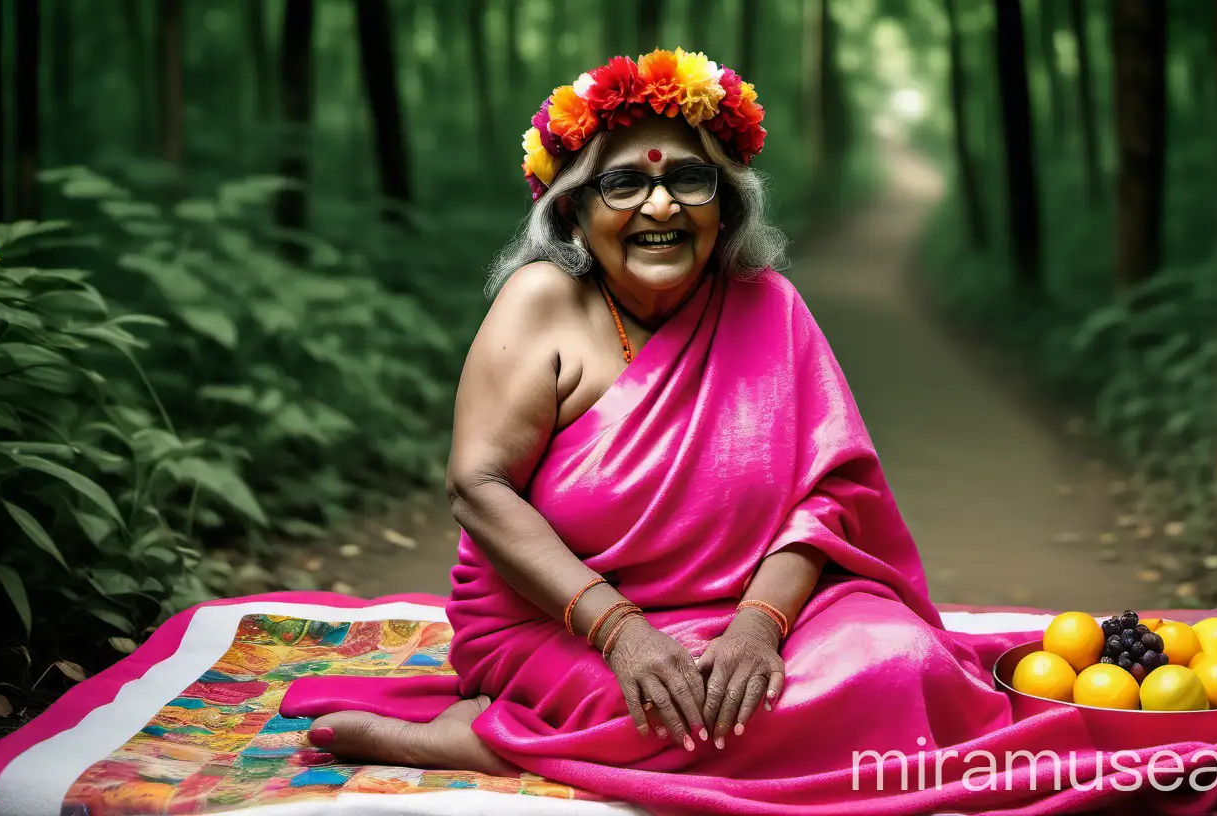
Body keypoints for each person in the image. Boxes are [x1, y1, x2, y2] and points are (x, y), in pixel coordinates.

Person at [283, 46, 1020, 812]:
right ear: (573, 209)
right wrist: (622, 632)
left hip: (749, 604)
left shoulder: (768, 305)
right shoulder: (542, 304)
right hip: (560, 619)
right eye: (625, 183)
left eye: (687, 180)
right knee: (674, 702)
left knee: (904, 665)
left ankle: (547, 737)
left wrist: (759, 628)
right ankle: (480, 738)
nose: (660, 207)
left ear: (725, 206)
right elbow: (478, 486)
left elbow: (828, 496)